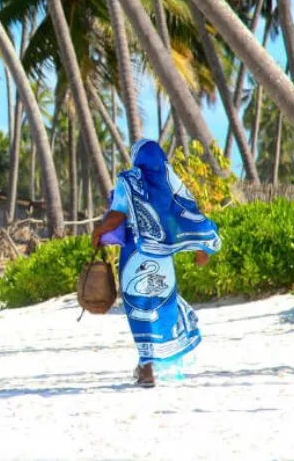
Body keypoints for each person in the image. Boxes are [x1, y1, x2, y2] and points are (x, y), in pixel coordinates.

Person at [91, 139, 221, 388]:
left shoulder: (128, 180)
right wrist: (199, 246)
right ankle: (150, 364)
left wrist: (98, 232)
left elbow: (117, 214)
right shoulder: (170, 181)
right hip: (162, 259)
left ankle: (147, 368)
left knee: (139, 309)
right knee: (162, 306)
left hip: (134, 255)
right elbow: (186, 213)